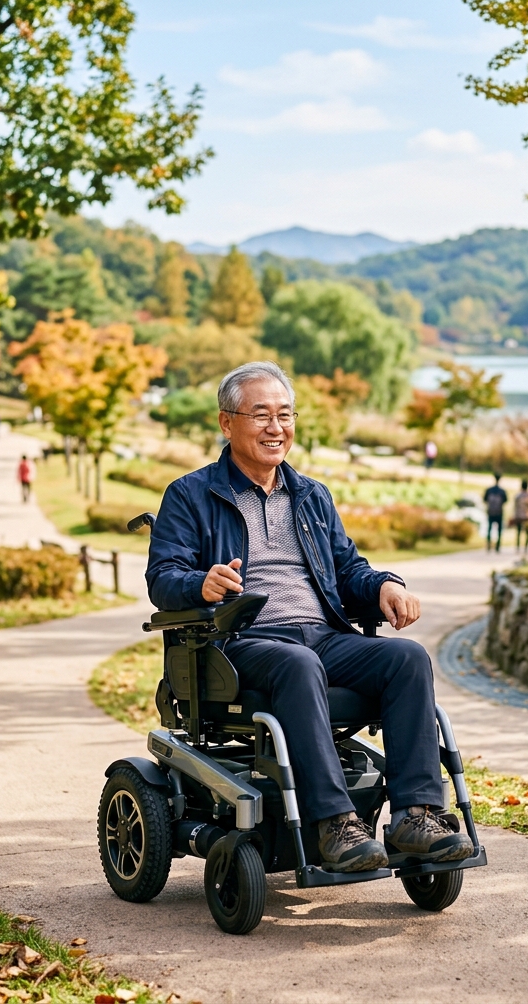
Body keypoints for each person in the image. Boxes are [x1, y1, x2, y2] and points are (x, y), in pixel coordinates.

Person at [146, 361, 474, 874]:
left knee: (406, 658)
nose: (275, 428)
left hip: (322, 636)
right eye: (260, 415)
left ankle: (417, 814)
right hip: (241, 642)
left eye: (284, 414)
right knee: (299, 664)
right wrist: (199, 584)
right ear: (226, 422)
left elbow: (348, 570)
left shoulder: (311, 496)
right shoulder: (190, 495)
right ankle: (335, 824)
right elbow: (163, 576)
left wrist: (385, 584)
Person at [483, 473, 507, 553]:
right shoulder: (502, 491)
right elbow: (505, 501)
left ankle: (489, 546)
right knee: (499, 530)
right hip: (499, 512)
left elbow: (485, 499)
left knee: (489, 529)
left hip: (491, 512)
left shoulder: (489, 490)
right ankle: (497, 547)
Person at [514, 479, 528, 553]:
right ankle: (526, 548)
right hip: (527, 516)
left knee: (518, 533)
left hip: (519, 515)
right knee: (527, 533)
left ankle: (518, 547)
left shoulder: (518, 496)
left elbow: (515, 506)